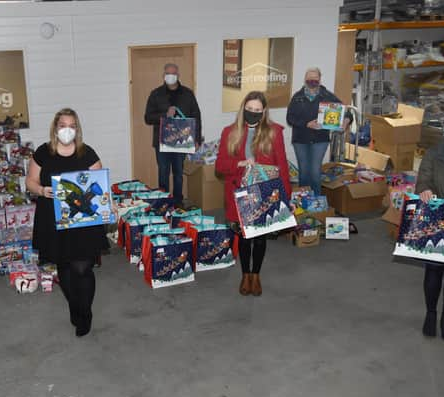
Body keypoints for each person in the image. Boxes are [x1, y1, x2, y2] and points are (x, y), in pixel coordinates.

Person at [26, 108, 109, 337]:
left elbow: (100, 183)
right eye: (63, 125)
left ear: (77, 129)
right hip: (53, 219)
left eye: (72, 126)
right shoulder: (43, 153)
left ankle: (85, 313)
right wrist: (42, 190)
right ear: (55, 128)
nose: (67, 130)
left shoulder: (87, 153)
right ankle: (75, 306)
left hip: (82, 222)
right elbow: (30, 182)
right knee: (64, 268)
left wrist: (103, 204)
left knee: (82, 268)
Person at [215, 91, 291, 296]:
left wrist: (286, 197)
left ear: (264, 111)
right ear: (243, 109)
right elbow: (220, 165)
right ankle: (245, 275)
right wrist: (240, 163)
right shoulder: (229, 132)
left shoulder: (274, 131)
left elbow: (282, 165)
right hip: (239, 192)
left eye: (257, 110)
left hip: (265, 192)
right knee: (245, 237)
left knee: (260, 238)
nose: (253, 113)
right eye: (250, 109)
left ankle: (256, 275)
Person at [415, 121, 444, 341]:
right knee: (434, 270)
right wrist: (425, 190)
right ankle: (431, 314)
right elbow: (423, 180)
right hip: (438, 217)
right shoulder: (434, 152)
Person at [286, 67, 352, 195]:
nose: (312, 81)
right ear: (305, 80)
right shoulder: (297, 97)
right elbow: (290, 119)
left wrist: (346, 121)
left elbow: (346, 112)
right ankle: (303, 201)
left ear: (320, 80)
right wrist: (306, 124)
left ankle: (317, 203)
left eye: (315, 78)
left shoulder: (327, 96)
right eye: (309, 78)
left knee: (315, 172)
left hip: (320, 140)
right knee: (304, 172)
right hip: (300, 140)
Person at [144, 63, 202, 207]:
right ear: (164, 76)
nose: (171, 76)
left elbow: (196, 116)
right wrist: (165, 114)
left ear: (178, 75)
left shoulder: (188, 94)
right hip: (162, 142)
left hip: (182, 141)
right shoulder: (155, 94)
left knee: (178, 173)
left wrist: (197, 138)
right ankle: (164, 203)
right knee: (163, 172)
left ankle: (177, 202)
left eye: (173, 73)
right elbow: (148, 118)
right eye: (168, 74)